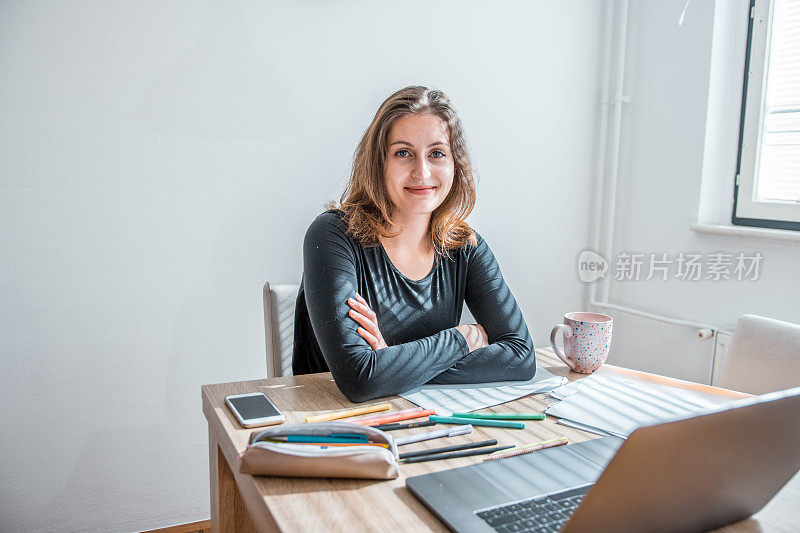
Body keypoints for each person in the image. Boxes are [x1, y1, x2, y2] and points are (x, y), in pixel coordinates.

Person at [292, 86, 535, 403]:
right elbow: (360, 379)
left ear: (455, 165)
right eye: (403, 153)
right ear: (379, 163)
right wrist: (458, 340)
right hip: (332, 426)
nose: (422, 171)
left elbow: (521, 356)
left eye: (437, 153)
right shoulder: (332, 235)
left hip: (426, 425)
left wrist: (391, 362)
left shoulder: (466, 247)